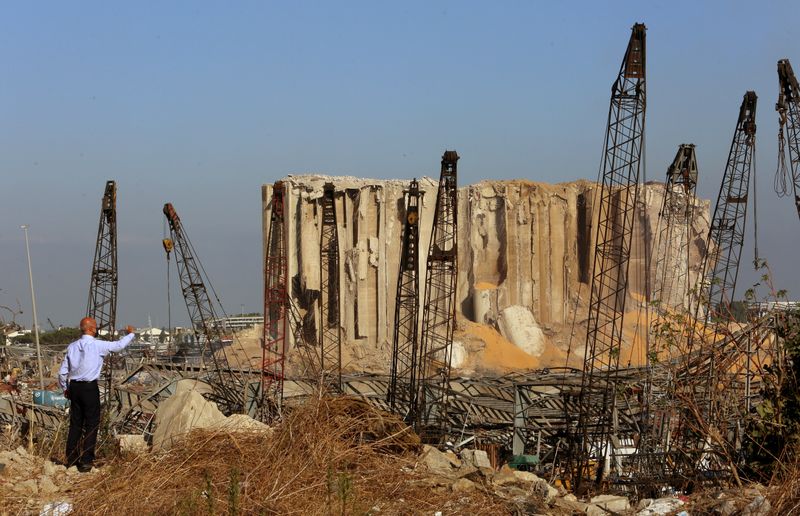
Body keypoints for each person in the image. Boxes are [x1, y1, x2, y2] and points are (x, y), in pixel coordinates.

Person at [58, 317, 135, 472]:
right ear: (92, 329)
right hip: (89, 387)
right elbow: (119, 345)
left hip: (74, 388)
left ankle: (72, 459)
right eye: (96, 327)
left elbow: (62, 372)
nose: (97, 328)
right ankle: (86, 461)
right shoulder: (97, 345)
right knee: (92, 424)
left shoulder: (72, 346)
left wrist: (65, 388)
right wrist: (131, 334)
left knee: (75, 424)